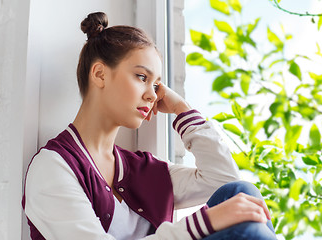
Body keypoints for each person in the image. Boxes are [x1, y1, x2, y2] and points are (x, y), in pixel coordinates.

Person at [22, 12, 276, 240]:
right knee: (248, 229)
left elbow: (222, 179)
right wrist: (201, 224)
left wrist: (181, 109)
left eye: (156, 86)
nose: (152, 95)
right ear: (99, 74)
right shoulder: (53, 167)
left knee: (241, 191)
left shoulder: (142, 169)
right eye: (142, 77)